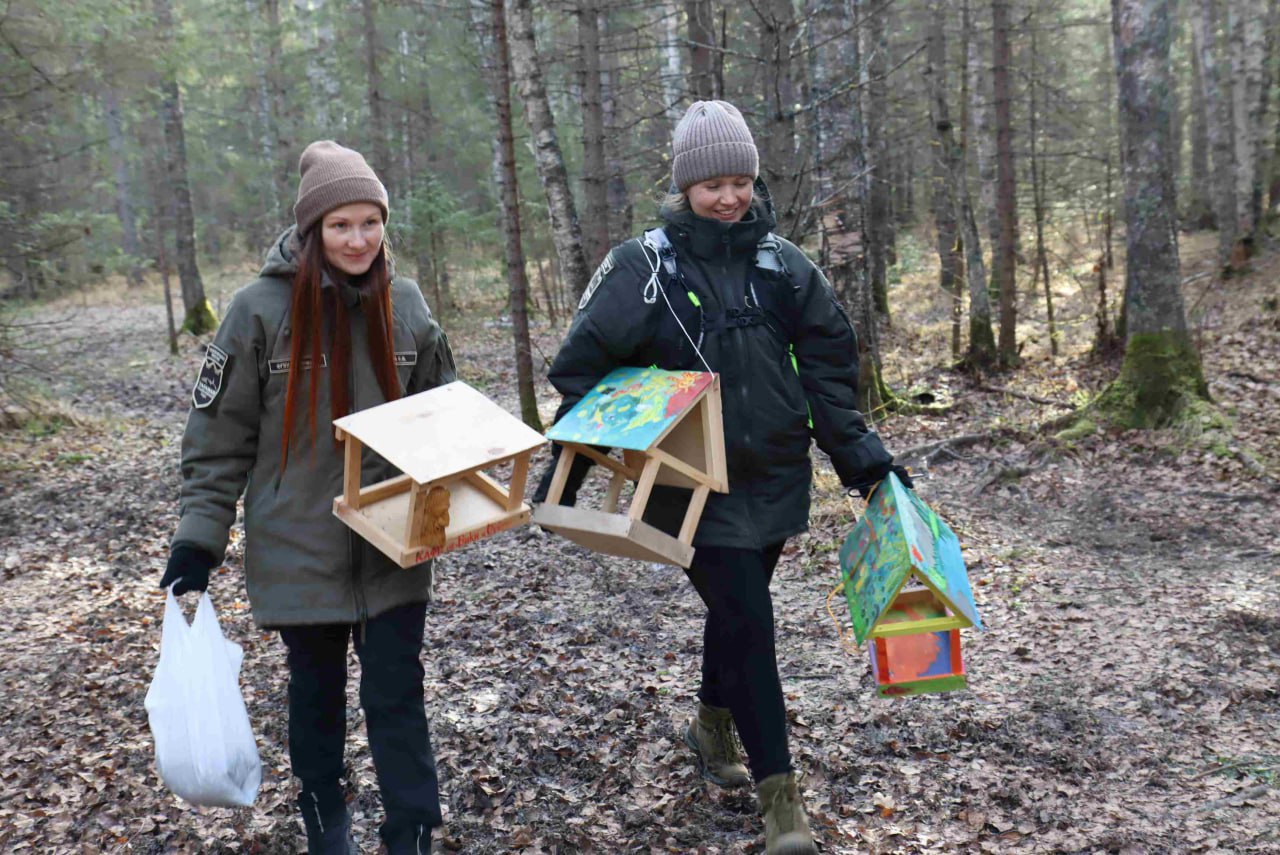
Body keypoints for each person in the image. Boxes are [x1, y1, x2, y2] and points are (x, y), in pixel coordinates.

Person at [535, 101, 911, 855]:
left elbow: (833, 371)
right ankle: (783, 804)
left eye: (741, 181)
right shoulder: (643, 268)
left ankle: (710, 726)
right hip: (689, 487)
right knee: (752, 624)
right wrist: (594, 458)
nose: (730, 198)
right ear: (683, 187)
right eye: (712, 185)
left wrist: (862, 461)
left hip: (775, 474)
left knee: (739, 618)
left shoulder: (783, 264)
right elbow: (580, 370)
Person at [160, 141, 456, 855]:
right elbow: (217, 437)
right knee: (315, 695)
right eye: (340, 226)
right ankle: (326, 817)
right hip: (298, 545)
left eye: (369, 223)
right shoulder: (258, 311)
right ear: (311, 230)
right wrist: (199, 538)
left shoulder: (406, 304)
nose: (358, 240)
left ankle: (411, 827)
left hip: (393, 540)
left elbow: (448, 418)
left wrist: (453, 500)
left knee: (396, 694)